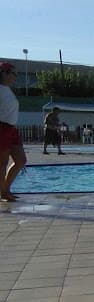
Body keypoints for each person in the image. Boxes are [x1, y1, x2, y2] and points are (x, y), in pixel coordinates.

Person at [0, 62, 27, 203]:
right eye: (14, 73)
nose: (16, 77)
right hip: (2, 128)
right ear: (4, 73)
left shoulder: (7, 90)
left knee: (21, 160)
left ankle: (6, 189)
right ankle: (4, 193)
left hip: (12, 129)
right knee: (2, 163)